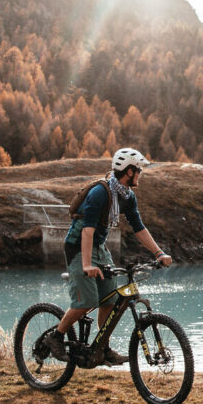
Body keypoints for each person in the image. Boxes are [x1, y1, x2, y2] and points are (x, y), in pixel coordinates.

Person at [37, 147, 173, 364]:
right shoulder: (100, 193)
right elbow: (87, 231)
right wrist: (87, 265)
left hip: (99, 248)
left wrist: (159, 253)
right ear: (129, 171)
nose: (141, 174)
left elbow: (139, 228)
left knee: (109, 299)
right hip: (78, 247)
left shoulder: (127, 196)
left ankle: (102, 348)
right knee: (85, 302)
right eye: (139, 170)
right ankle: (56, 336)